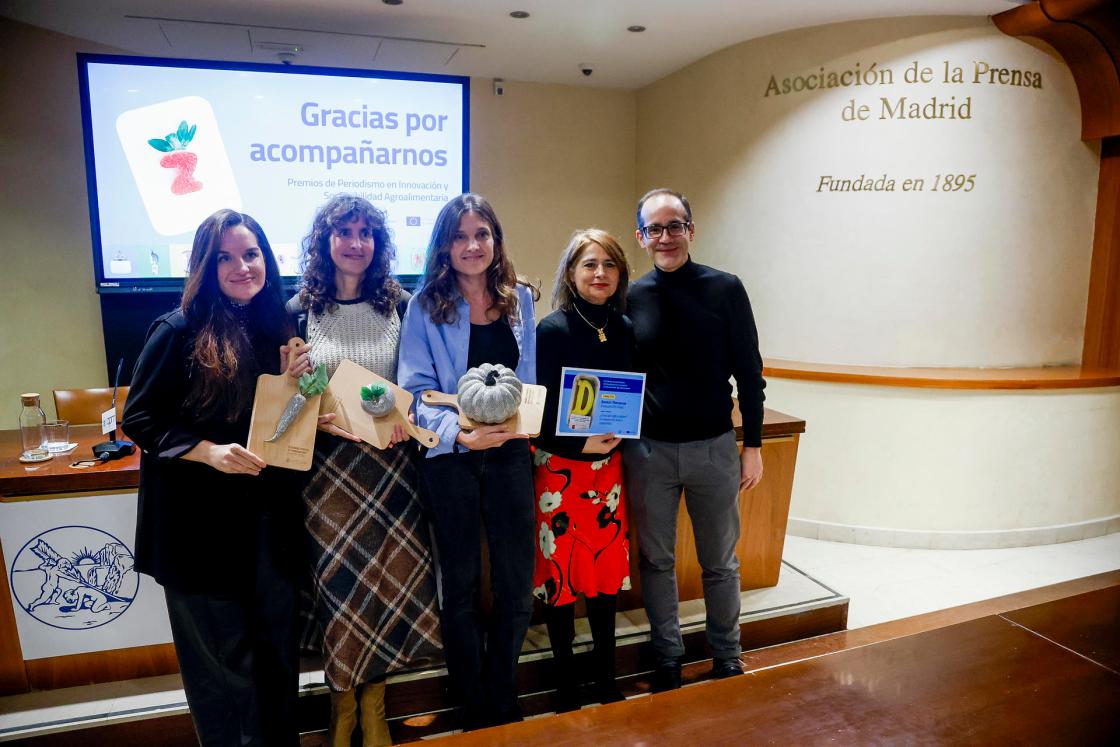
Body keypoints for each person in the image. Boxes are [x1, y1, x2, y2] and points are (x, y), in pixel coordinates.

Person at [123, 209, 301, 746]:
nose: (242, 267)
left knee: (275, 658)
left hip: (268, 527)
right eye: (224, 257)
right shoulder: (178, 330)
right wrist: (208, 452)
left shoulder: (279, 327)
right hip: (198, 534)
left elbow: (275, 419)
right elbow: (141, 418)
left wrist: (304, 391)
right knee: (223, 676)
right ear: (204, 265)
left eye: (251, 254)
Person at [284, 194, 441, 747]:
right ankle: (342, 708)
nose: (355, 242)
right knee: (341, 592)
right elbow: (292, 396)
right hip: (328, 477)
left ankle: (375, 706)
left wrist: (406, 415)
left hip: (393, 469)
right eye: (343, 232)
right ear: (324, 243)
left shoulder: (401, 302)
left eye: (365, 233)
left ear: (378, 244)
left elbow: (418, 381)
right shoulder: (299, 308)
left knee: (386, 588)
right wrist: (307, 398)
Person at [397, 193, 538, 730]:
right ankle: (472, 703)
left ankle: (503, 691)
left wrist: (515, 430)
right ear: (444, 246)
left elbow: (531, 380)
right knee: (458, 584)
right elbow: (415, 390)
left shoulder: (520, 298)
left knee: (513, 580)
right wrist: (460, 435)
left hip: (510, 455)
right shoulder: (425, 304)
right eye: (460, 236)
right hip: (450, 460)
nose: (472, 245)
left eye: (482, 234)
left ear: (495, 240)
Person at [624, 188, 766, 691]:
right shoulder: (632, 295)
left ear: (691, 229)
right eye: (655, 229)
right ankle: (668, 657)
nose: (666, 237)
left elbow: (750, 373)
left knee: (721, 563)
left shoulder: (725, 288)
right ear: (641, 237)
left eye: (675, 225)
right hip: (650, 452)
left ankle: (728, 654)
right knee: (657, 562)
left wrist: (753, 446)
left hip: (714, 448)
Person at [532, 228, 634, 711]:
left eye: (609, 265)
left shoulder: (626, 327)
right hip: (560, 471)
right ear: (571, 274)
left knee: (605, 576)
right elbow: (541, 411)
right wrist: (578, 441)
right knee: (562, 580)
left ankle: (606, 677)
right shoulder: (550, 330)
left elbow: (628, 396)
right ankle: (567, 685)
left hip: (608, 473)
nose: (600, 274)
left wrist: (615, 435)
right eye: (590, 264)